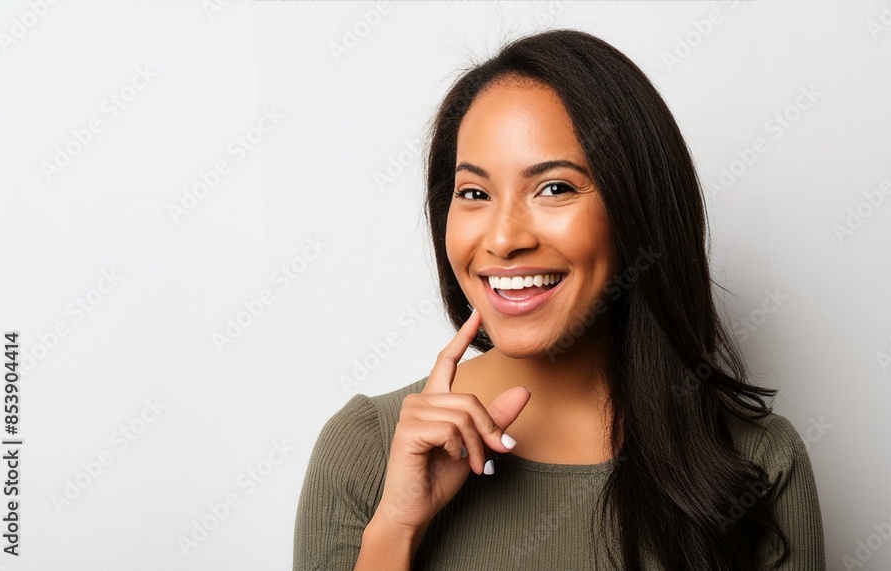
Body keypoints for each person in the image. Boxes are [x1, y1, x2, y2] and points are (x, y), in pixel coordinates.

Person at [294, 28, 825, 571]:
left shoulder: (757, 462)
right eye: (474, 193)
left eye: (555, 188)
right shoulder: (365, 450)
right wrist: (397, 527)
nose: (504, 238)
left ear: (637, 210)